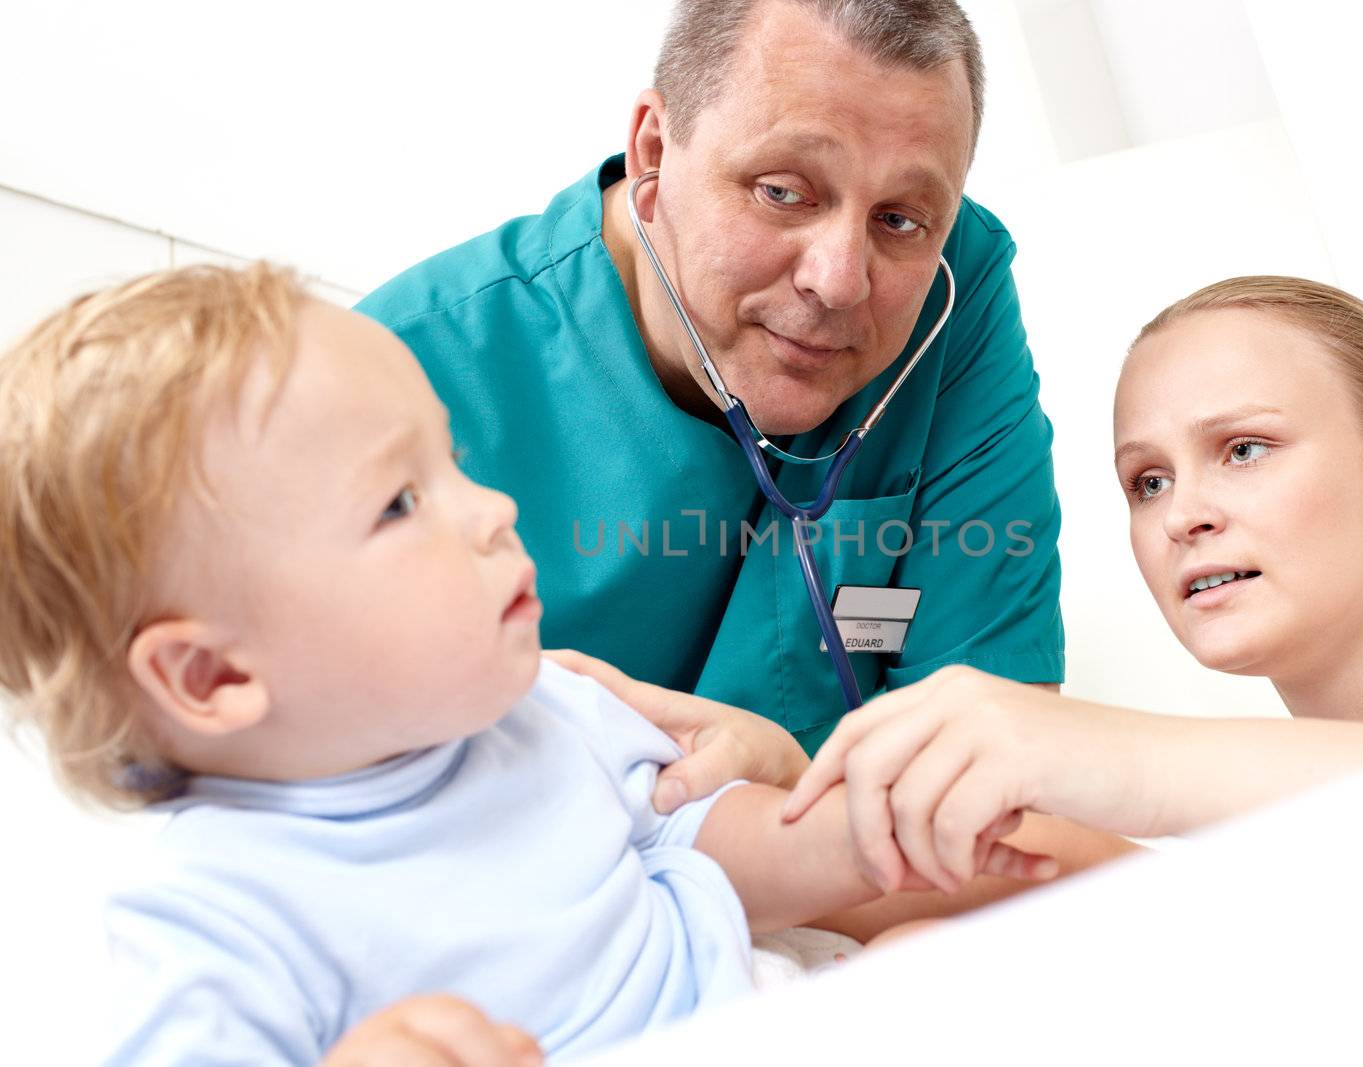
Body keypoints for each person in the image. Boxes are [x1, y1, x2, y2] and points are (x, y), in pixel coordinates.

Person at [0, 265, 1060, 1066]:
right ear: (213, 676)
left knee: (922, 956)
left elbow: (687, 835)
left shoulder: (550, 704)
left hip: (759, 999)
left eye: (451, 459)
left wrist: (860, 836)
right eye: (401, 502)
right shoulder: (220, 919)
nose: (491, 505)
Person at [354, 0, 1068, 791]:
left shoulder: (950, 291)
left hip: (862, 900)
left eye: (899, 219)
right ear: (654, 153)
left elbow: (1001, 769)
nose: (838, 279)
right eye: (782, 191)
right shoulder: (395, 374)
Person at [782, 276, 1363, 893]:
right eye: (1147, 482)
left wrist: (1108, 753)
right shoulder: (1243, 843)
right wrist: (778, 776)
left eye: (1244, 448)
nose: (1182, 515)